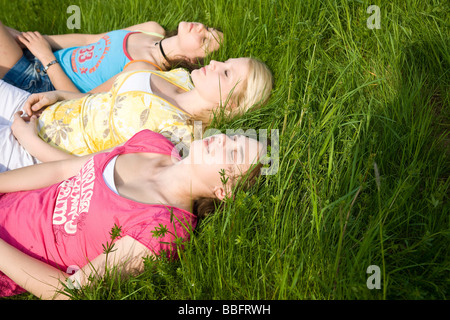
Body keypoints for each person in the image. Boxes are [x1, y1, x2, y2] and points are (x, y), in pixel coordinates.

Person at [0, 129, 265, 299]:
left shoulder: (165, 229)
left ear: (223, 192)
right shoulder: (151, 142)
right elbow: (60, 172)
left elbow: (68, 293)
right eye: (232, 136)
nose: (221, 139)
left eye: (233, 152)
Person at [0, 57, 273, 172]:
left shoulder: (179, 139)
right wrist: (57, 96)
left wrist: (30, 141)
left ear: (234, 106)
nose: (214, 63)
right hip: (34, 107)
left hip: (31, 152)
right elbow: (95, 98)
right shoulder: (177, 76)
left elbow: (90, 170)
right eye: (225, 62)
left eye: (226, 72)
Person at [0, 20, 223, 93]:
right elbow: (90, 40)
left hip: (41, 81)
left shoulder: (145, 69)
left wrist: (45, 56)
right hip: (41, 54)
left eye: (205, 40)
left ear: (194, 61)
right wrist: (34, 40)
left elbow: (78, 101)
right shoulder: (151, 29)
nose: (202, 28)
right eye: (209, 28)